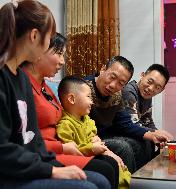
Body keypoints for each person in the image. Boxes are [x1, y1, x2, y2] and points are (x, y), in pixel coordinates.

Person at [0, 1, 110, 189]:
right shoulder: (3, 77)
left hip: (26, 166)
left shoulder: (22, 79)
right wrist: (51, 171)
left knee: (99, 180)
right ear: (34, 36)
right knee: (87, 187)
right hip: (8, 173)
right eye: (49, 39)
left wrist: (54, 165)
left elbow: (33, 142)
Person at [22, 32, 118, 189]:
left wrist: (91, 137)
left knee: (109, 163)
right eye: (59, 54)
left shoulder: (45, 86)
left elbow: (71, 118)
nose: (62, 62)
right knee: (104, 170)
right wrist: (62, 147)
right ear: (39, 51)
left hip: (60, 146)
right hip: (48, 151)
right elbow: (25, 138)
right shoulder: (23, 85)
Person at [85, 56, 174, 173]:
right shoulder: (84, 89)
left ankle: (144, 178)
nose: (113, 85)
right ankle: (133, 182)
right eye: (112, 77)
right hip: (92, 137)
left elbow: (129, 122)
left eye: (121, 83)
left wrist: (155, 134)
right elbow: (129, 124)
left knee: (146, 142)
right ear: (102, 69)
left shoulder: (117, 94)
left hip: (106, 135)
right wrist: (153, 134)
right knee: (125, 147)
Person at [56, 75, 131, 189]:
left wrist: (100, 145)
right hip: (80, 160)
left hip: (93, 154)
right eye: (88, 97)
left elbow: (94, 138)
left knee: (119, 167)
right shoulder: (65, 125)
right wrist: (91, 148)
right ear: (72, 99)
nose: (92, 102)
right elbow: (70, 152)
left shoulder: (87, 120)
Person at [121, 64, 173, 157]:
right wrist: (156, 134)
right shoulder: (129, 92)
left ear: (161, 90)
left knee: (154, 141)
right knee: (146, 141)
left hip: (131, 131)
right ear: (142, 75)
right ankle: (143, 171)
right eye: (150, 82)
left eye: (157, 87)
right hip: (120, 131)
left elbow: (148, 122)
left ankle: (151, 169)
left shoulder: (147, 96)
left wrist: (160, 134)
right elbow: (132, 124)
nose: (151, 88)